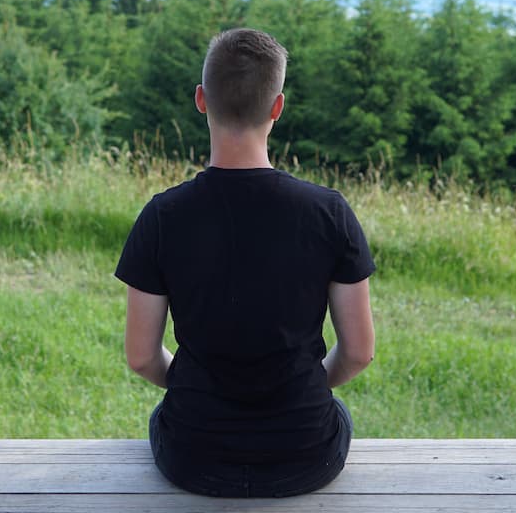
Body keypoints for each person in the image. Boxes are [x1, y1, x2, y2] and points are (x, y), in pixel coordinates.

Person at [115, 27, 376, 498]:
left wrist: (193, 389)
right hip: (306, 455)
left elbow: (141, 357)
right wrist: (309, 386)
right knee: (336, 414)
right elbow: (359, 352)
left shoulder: (162, 216)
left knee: (164, 416)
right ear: (277, 107)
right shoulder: (329, 212)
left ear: (201, 99)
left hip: (193, 456)